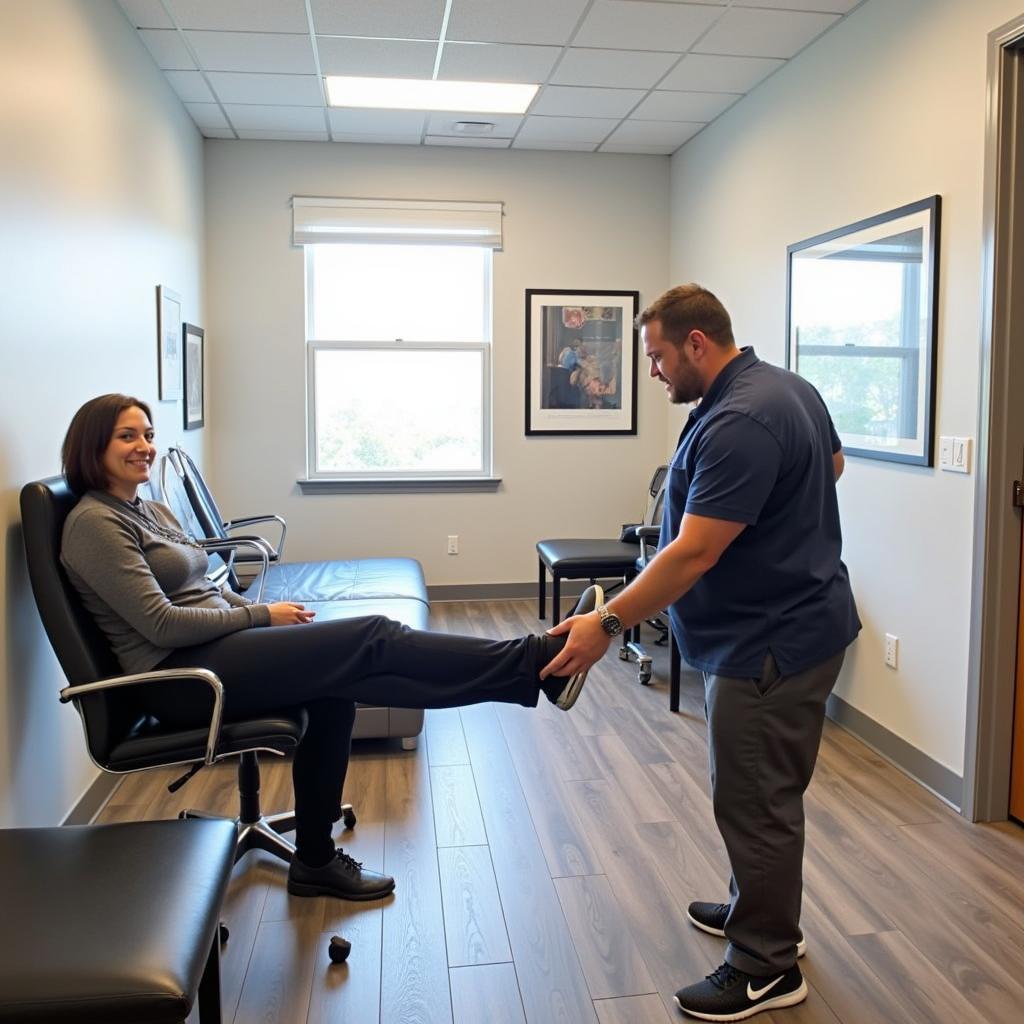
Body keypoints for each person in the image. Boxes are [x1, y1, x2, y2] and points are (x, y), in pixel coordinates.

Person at [59, 394, 597, 903]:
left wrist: (253, 616)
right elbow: (161, 624)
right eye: (126, 436)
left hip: (222, 647)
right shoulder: (94, 524)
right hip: (185, 681)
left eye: (148, 434)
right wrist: (261, 615)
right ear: (93, 447)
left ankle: (314, 861)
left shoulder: (148, 510)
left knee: (341, 681)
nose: (144, 446)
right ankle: (532, 662)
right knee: (372, 635)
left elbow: (207, 585)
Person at [542, 284, 860, 1021]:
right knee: (760, 795)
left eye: (656, 355)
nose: (652, 371)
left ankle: (766, 966)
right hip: (797, 623)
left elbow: (691, 554)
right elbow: (832, 466)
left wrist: (608, 625)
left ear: (695, 344)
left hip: (772, 642)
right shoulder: (786, 388)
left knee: (755, 800)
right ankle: (762, 910)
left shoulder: (744, 417)